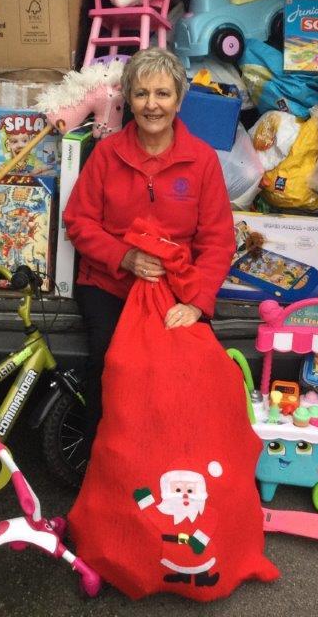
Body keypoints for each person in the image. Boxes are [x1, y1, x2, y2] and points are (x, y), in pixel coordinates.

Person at [63, 47, 235, 443]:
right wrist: (125, 257)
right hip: (109, 284)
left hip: (177, 287)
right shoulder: (107, 154)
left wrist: (195, 304)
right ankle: (103, 467)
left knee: (183, 368)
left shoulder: (202, 160)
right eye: (141, 94)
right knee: (113, 366)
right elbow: (79, 222)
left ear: (178, 99)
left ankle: (171, 472)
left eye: (162, 94)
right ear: (129, 99)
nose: (151, 105)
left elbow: (218, 239)